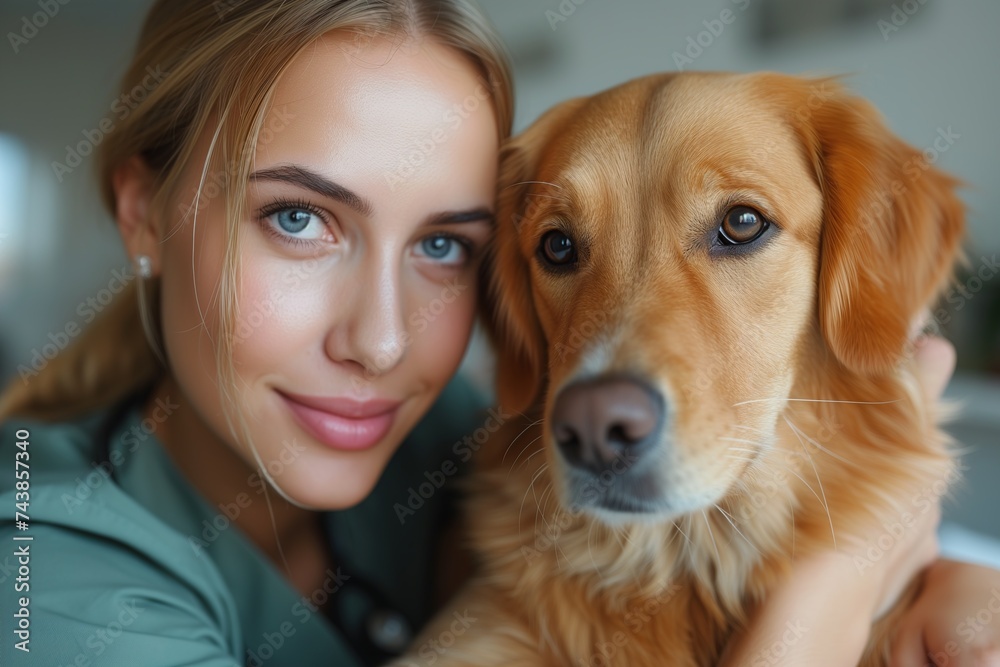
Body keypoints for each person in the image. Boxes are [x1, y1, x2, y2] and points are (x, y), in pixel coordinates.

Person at [0, 1, 997, 665]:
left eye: (442, 245)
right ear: (142, 215)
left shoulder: (441, 436)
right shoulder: (44, 576)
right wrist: (839, 579)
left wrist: (946, 576)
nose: (381, 343)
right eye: (298, 219)